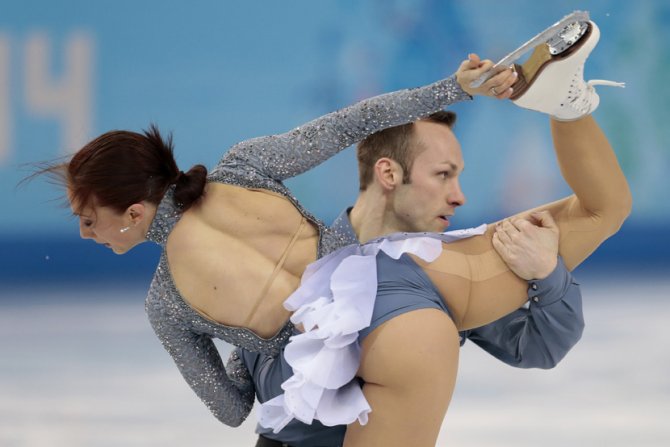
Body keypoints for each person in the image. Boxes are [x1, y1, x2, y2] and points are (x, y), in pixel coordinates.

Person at [233, 19, 631, 447]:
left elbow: (539, 347)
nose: (459, 196)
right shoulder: (298, 264)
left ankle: (563, 103)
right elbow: (251, 396)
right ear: (388, 173)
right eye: (443, 175)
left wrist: (547, 276)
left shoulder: (447, 272)